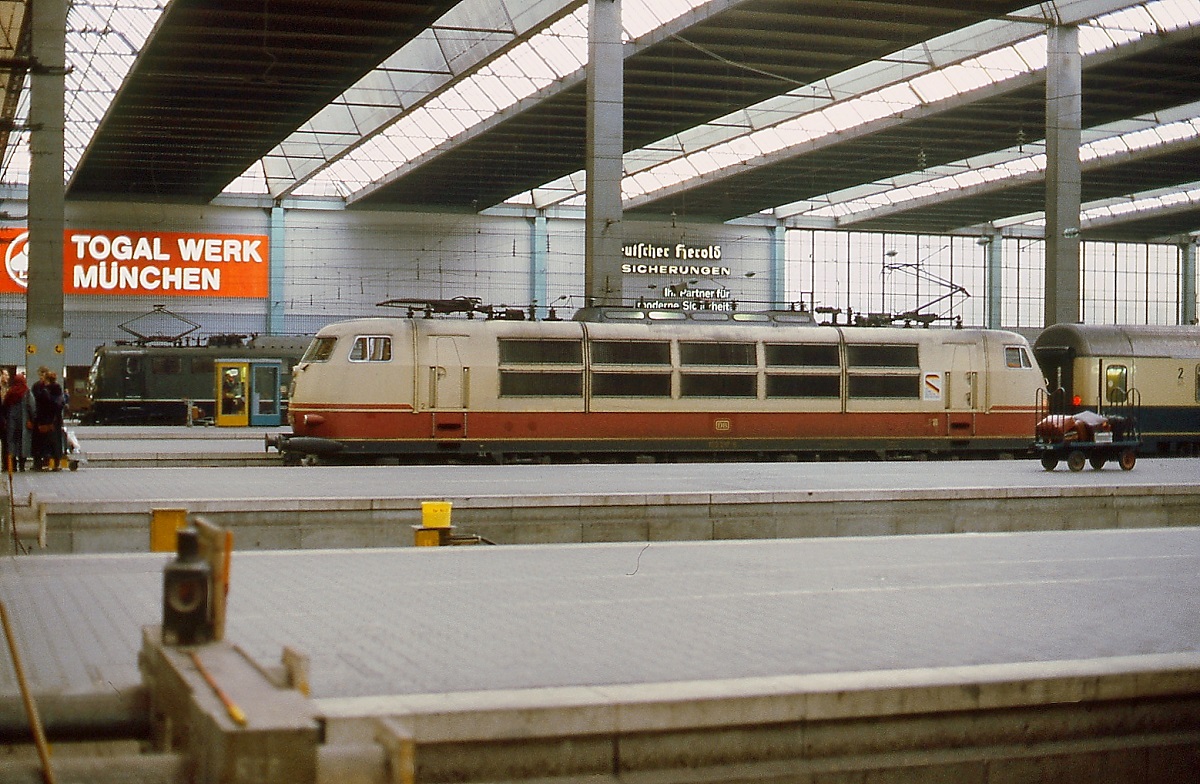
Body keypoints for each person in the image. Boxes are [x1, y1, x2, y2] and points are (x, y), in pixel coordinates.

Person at [31, 368, 67, 471]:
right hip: (55, 419)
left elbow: (42, 404)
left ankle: (46, 462)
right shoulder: (57, 389)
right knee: (54, 441)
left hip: (46, 419)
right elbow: (60, 403)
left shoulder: (44, 390)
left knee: (46, 441)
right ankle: (55, 463)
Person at [3, 373, 33, 471]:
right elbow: (32, 406)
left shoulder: (10, 392)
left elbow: (4, 406)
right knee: (22, 442)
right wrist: (32, 419)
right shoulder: (27, 392)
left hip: (11, 422)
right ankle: (22, 465)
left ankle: (13, 465)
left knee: (12, 442)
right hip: (24, 422)